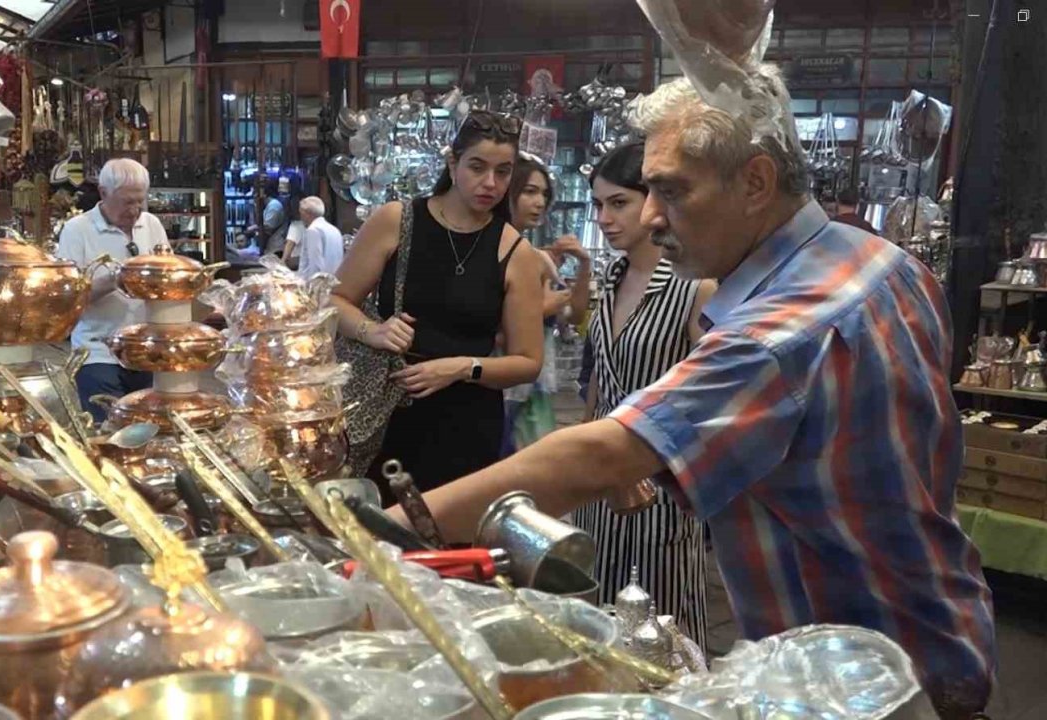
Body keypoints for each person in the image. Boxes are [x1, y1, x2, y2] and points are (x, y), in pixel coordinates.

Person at [402, 68, 994, 719]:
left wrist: (390, 528)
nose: (651, 216)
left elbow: (601, 455)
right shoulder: (883, 261)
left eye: (672, 191)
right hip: (934, 630)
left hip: (861, 684)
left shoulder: (777, 334)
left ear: (756, 182)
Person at [331, 109, 544, 495]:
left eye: (503, 172)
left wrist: (462, 367)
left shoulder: (515, 251)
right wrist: (372, 331)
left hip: (467, 424)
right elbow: (336, 299)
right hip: (387, 414)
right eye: (477, 167)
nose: (490, 183)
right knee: (379, 524)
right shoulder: (397, 220)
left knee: (454, 528)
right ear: (452, 163)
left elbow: (528, 362)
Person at [566, 142, 717, 648]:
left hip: (663, 487)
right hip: (599, 479)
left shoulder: (694, 287)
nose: (604, 218)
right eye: (598, 204)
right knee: (598, 619)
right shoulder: (611, 278)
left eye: (619, 203)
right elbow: (599, 381)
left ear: (654, 202)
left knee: (662, 628)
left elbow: (711, 397)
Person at [57, 158, 169, 422]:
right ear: (103, 193)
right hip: (98, 351)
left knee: (151, 428)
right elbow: (67, 297)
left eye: (140, 201)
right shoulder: (77, 230)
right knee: (109, 428)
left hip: (147, 350)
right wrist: (114, 280)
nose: (135, 210)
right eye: (127, 202)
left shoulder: (151, 224)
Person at [500, 155, 591, 455]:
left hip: (533, 388)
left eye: (544, 194)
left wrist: (584, 265)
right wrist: (541, 309)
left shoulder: (537, 257)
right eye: (529, 191)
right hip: (497, 385)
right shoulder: (492, 253)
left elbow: (573, 315)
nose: (539, 202)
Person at [291, 197, 345, 279]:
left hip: (318, 283)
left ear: (307, 214)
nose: (301, 218)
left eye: (301, 213)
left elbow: (315, 264)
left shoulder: (313, 230)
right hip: (334, 279)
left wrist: (311, 284)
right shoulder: (335, 230)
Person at [253, 177, 289, 257]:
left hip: (276, 248)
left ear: (264, 195)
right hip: (270, 248)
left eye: (256, 194)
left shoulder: (274, 206)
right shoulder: (266, 206)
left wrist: (253, 229)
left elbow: (267, 228)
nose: (254, 197)